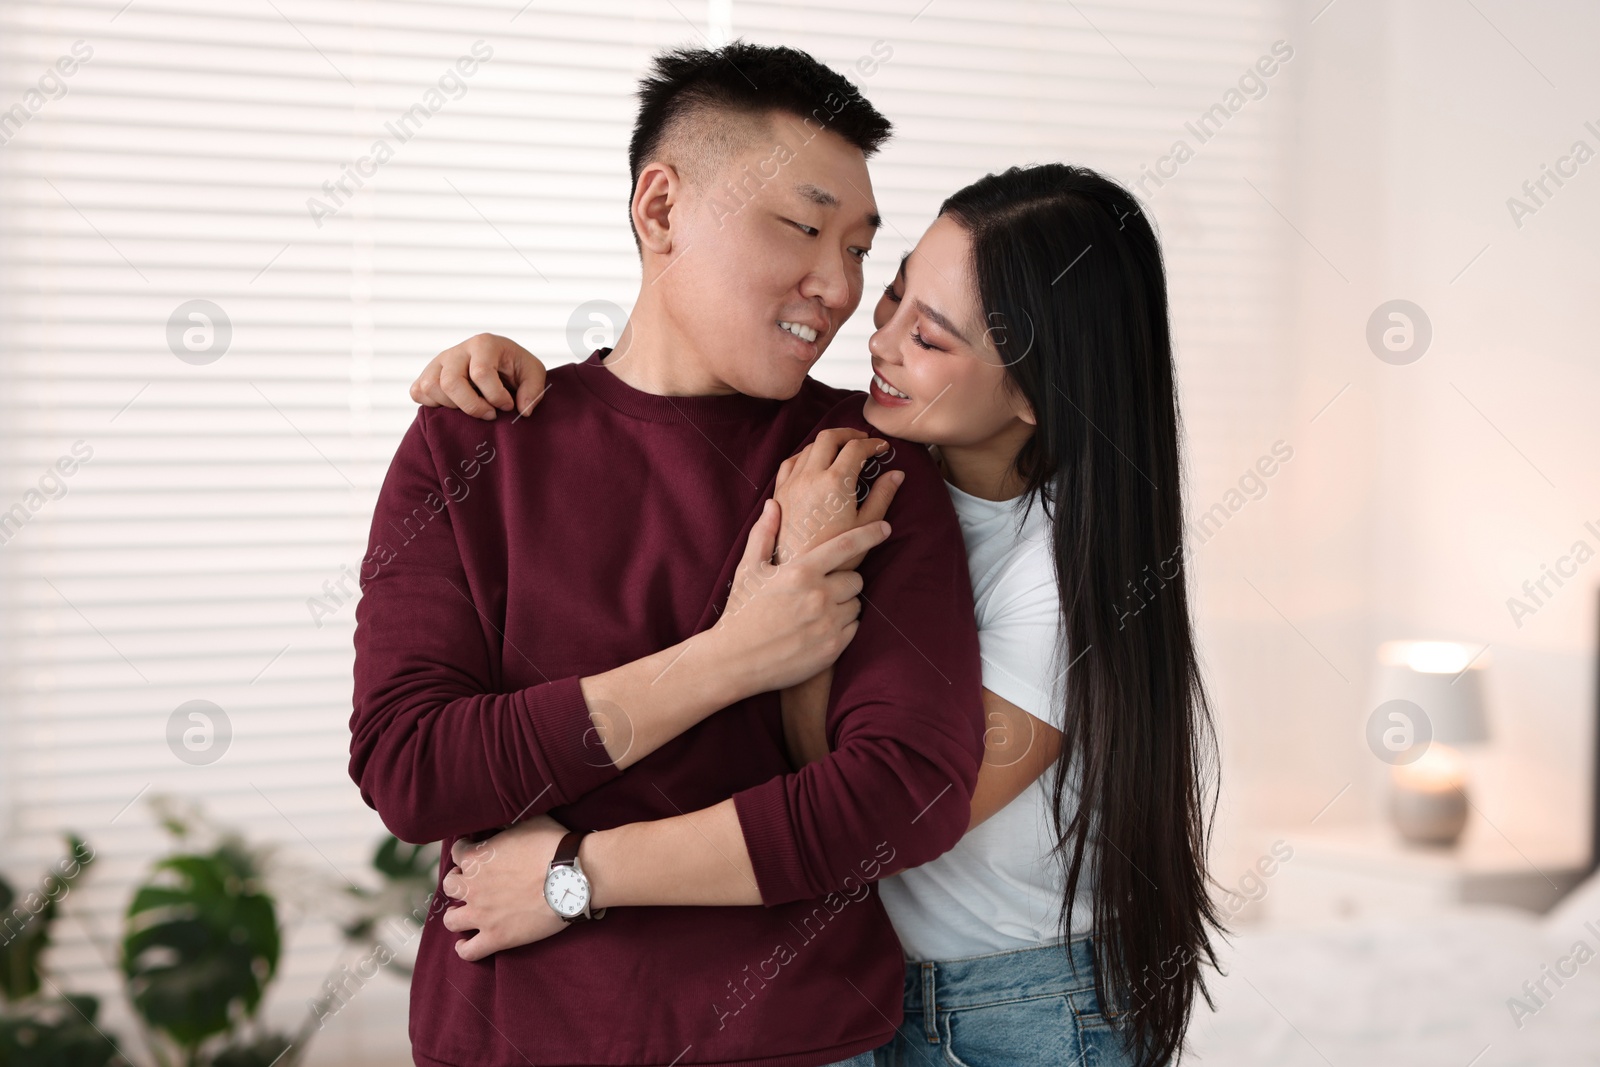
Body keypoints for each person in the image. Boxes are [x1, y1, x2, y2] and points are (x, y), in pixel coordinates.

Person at [415, 165, 1224, 1066]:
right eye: (894, 292)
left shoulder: (1061, 583)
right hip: (883, 986)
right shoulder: (876, 466)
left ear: (1037, 393)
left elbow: (881, 811)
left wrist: (572, 871)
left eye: (931, 336)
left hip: (1018, 1004)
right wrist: (521, 382)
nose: (875, 337)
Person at [350, 42, 988, 1067]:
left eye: (861, 248)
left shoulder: (860, 467)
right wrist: (735, 656)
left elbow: (902, 795)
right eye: (802, 225)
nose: (836, 284)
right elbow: (413, 768)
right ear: (660, 210)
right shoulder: (473, 441)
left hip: (793, 1043)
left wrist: (573, 868)